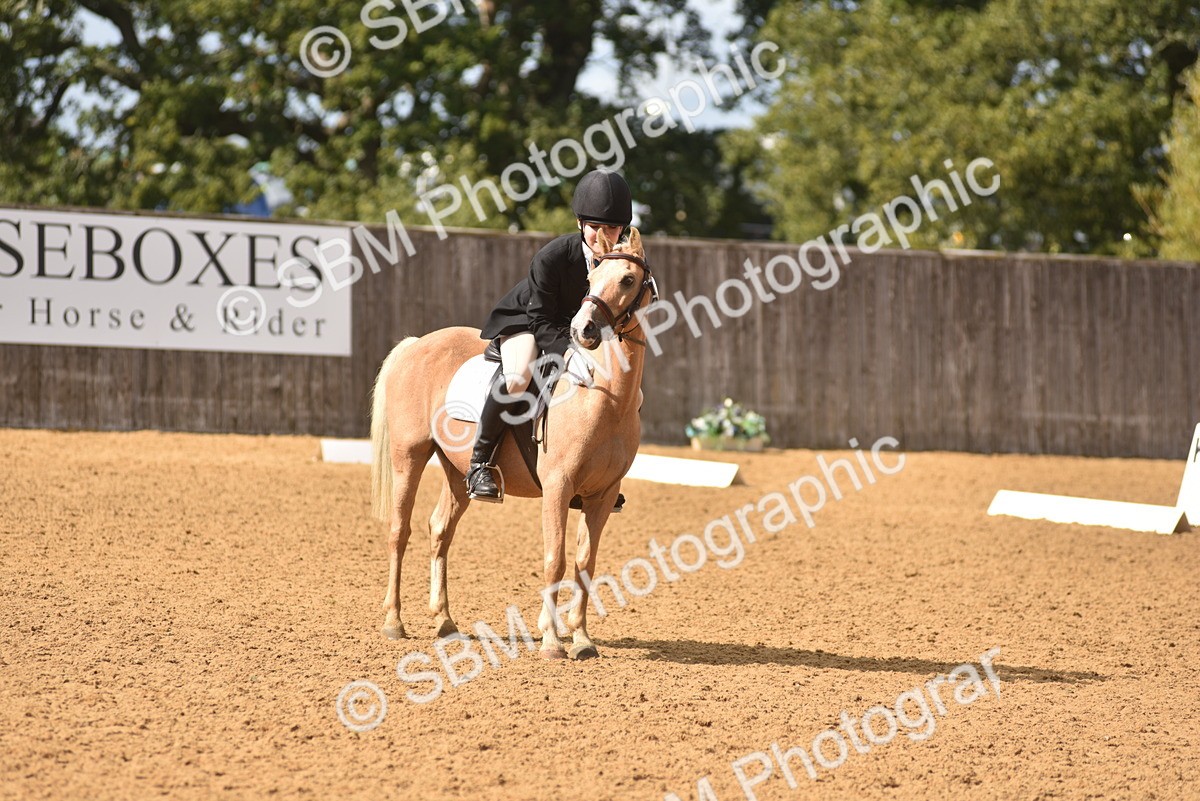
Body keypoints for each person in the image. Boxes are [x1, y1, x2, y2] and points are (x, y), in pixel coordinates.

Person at [466, 169, 633, 503]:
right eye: (594, 227)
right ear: (579, 224)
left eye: (612, 228)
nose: (603, 235)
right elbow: (540, 317)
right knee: (517, 378)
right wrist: (570, 354)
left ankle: (592, 474)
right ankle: (479, 463)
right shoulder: (552, 257)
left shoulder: (620, 263)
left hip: (579, 332)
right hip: (527, 323)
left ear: (623, 230)